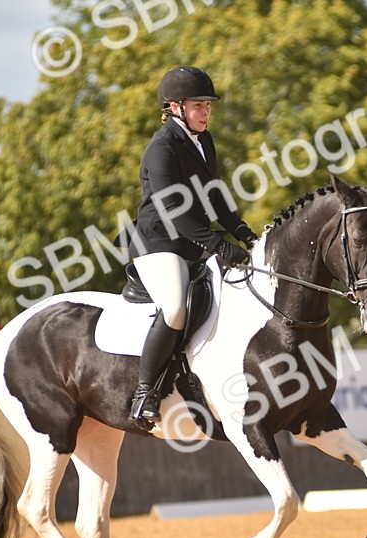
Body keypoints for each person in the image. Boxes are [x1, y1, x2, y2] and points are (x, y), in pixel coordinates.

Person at [123, 65, 257, 427]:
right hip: (158, 244)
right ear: (175, 107)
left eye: (208, 105)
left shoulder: (204, 141)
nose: (206, 112)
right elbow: (172, 209)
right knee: (176, 309)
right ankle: (144, 393)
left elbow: (214, 195)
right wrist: (217, 244)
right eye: (198, 105)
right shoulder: (161, 148)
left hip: (192, 241)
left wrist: (242, 231)